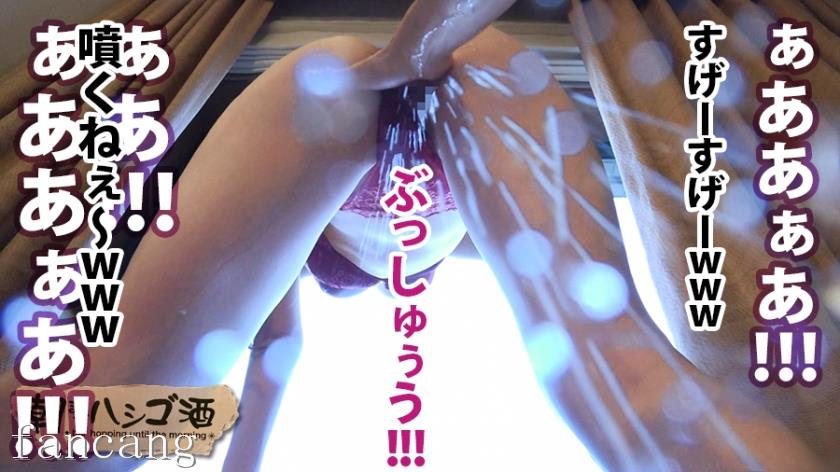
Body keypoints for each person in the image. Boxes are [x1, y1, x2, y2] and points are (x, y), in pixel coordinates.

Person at [1, 1, 833, 470]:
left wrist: (221, 438)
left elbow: (273, 354)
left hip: (364, 106)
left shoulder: (330, 248)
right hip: (410, 107)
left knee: (618, 372)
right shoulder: (411, 241)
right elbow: (270, 354)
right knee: (618, 370)